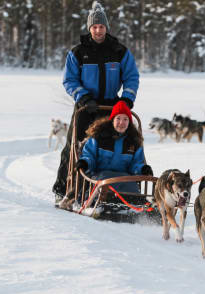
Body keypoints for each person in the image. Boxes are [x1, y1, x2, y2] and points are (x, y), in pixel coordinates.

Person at [53, 1, 140, 205]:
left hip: (112, 107)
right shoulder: (78, 52)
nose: (98, 30)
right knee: (74, 147)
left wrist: (127, 99)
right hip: (86, 106)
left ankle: (121, 190)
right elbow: (69, 80)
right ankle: (63, 190)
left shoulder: (119, 51)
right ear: (89, 28)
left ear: (106, 28)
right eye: (94, 27)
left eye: (101, 27)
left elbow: (132, 77)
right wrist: (83, 97)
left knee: (119, 145)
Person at [59, 101, 153, 210]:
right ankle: (98, 204)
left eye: (125, 119)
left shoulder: (134, 141)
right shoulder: (98, 136)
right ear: (112, 119)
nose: (121, 123)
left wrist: (143, 169)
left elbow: (136, 163)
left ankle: (138, 208)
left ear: (129, 122)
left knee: (132, 187)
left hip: (124, 177)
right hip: (100, 175)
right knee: (104, 186)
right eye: (118, 119)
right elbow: (89, 156)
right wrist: (85, 163)